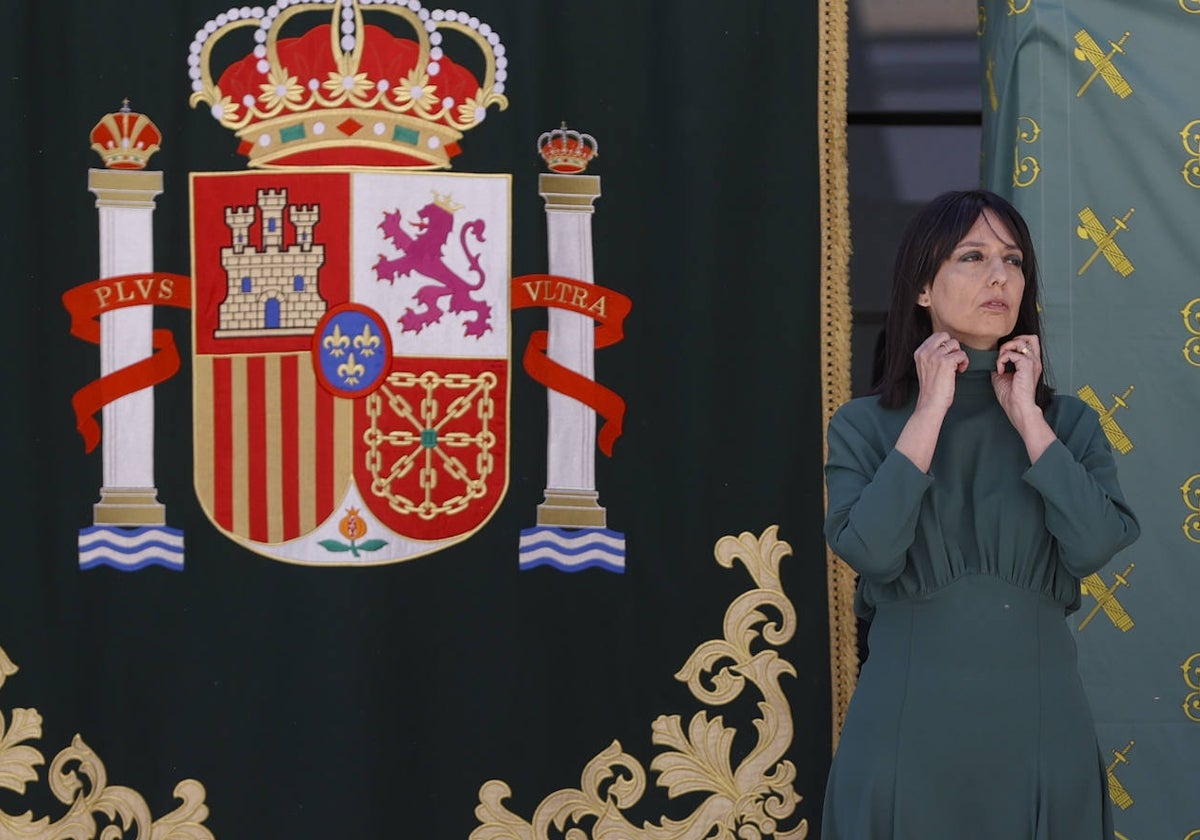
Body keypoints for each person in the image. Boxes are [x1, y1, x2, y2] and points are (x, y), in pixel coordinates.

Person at [821, 189, 1140, 839]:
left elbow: (1093, 544)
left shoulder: (1066, 422)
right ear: (921, 289)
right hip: (906, 734)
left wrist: (1028, 417)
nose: (1000, 275)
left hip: (1041, 732)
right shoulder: (863, 425)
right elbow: (872, 551)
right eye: (972, 256)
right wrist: (930, 410)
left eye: (1013, 259)